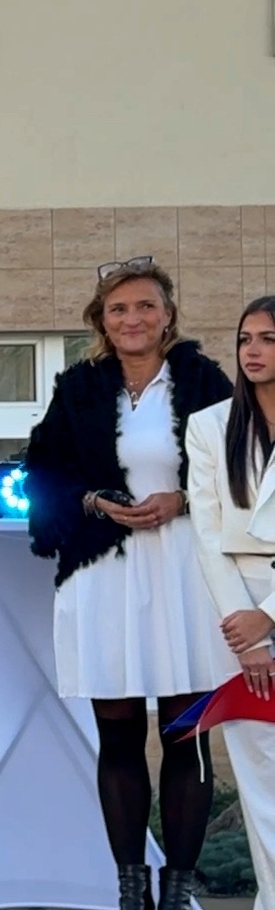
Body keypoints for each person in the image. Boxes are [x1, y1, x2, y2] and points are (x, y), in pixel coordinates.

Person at [23, 257, 236, 910]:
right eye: (119, 309)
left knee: (184, 734)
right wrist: (94, 502)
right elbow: (44, 474)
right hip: (103, 572)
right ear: (102, 320)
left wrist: (184, 500)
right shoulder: (78, 388)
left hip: (185, 572)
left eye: (145, 306)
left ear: (168, 315)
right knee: (117, 734)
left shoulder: (203, 381)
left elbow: (244, 470)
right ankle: (131, 891)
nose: (132, 318)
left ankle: (177, 890)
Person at [185, 294, 275, 906]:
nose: (252, 350)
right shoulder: (210, 425)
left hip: (263, 611)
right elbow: (207, 534)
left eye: (268, 338)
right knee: (262, 783)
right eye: (245, 338)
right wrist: (248, 632)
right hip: (235, 612)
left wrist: (270, 617)